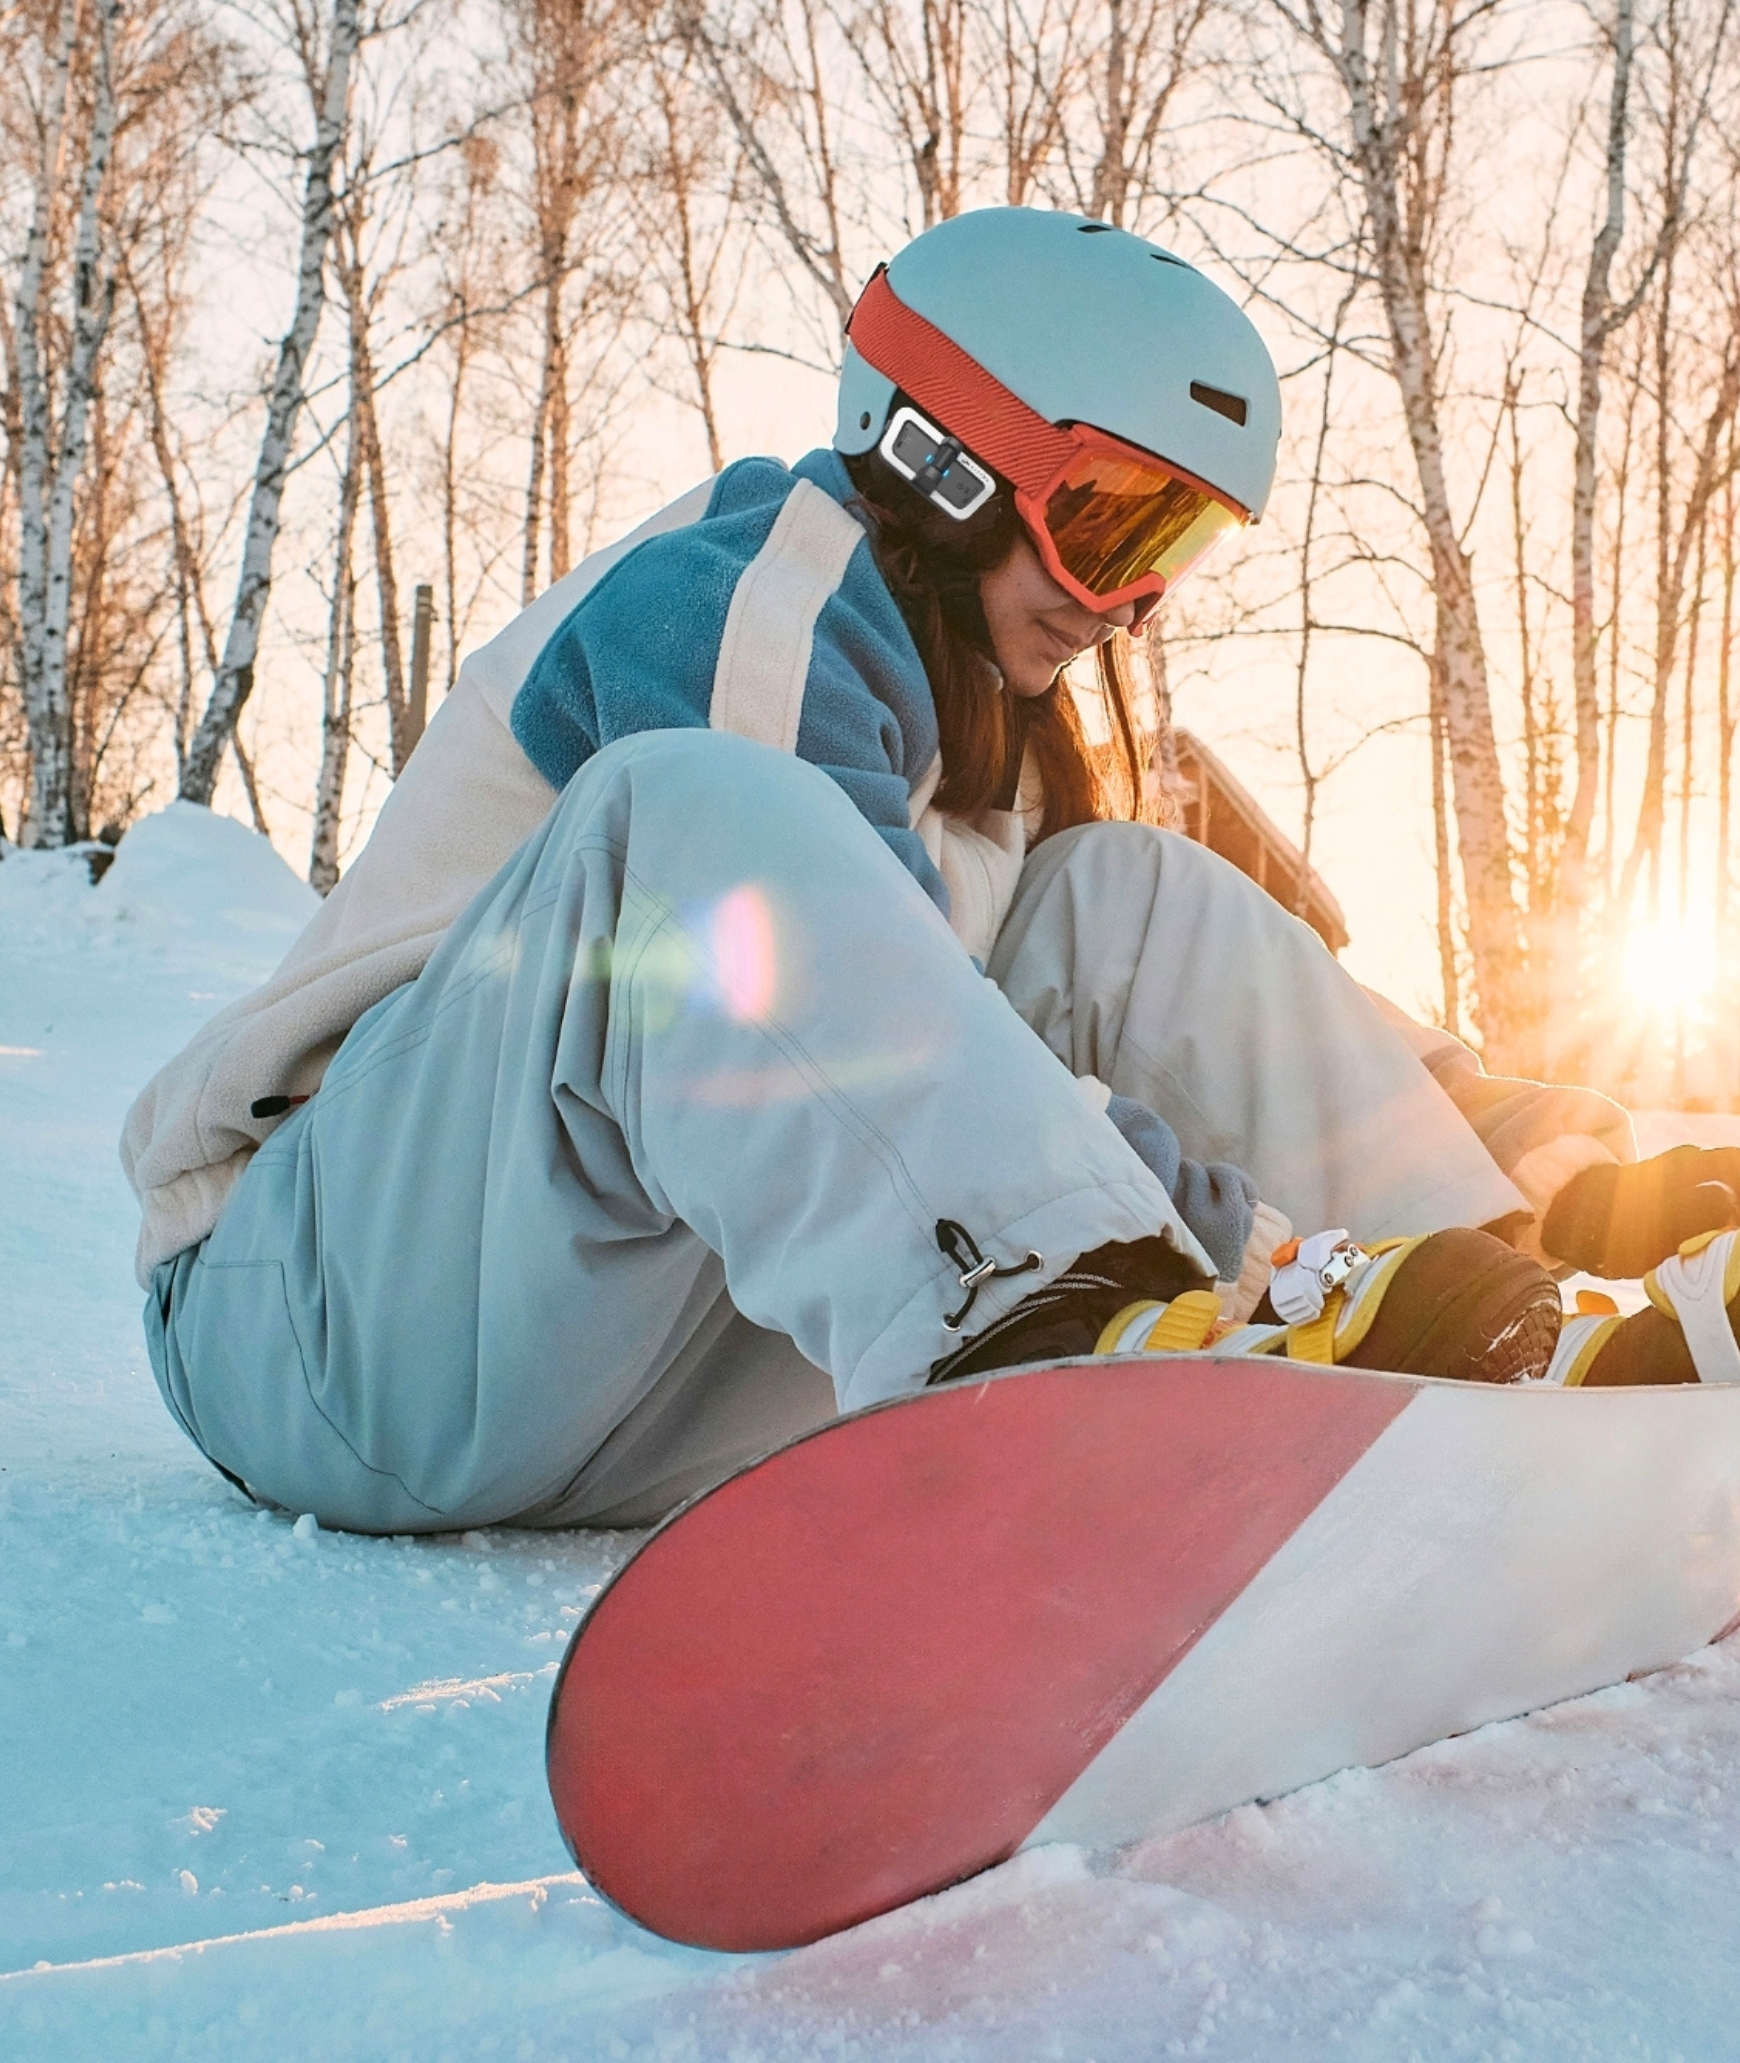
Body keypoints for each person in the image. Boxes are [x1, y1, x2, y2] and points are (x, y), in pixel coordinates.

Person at [123, 208, 1740, 1536]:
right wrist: (1265, 1271)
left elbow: (1128, 1027)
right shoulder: (742, 606)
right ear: (944, 460)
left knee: (1130, 897)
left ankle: (1539, 1318)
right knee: (691, 813)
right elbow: (858, 1036)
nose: (1122, 608)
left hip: (623, 1363)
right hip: (331, 1313)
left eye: (1168, 558)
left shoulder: (993, 741)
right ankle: (1078, 1359)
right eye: (1111, 530)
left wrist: (1553, 1166)